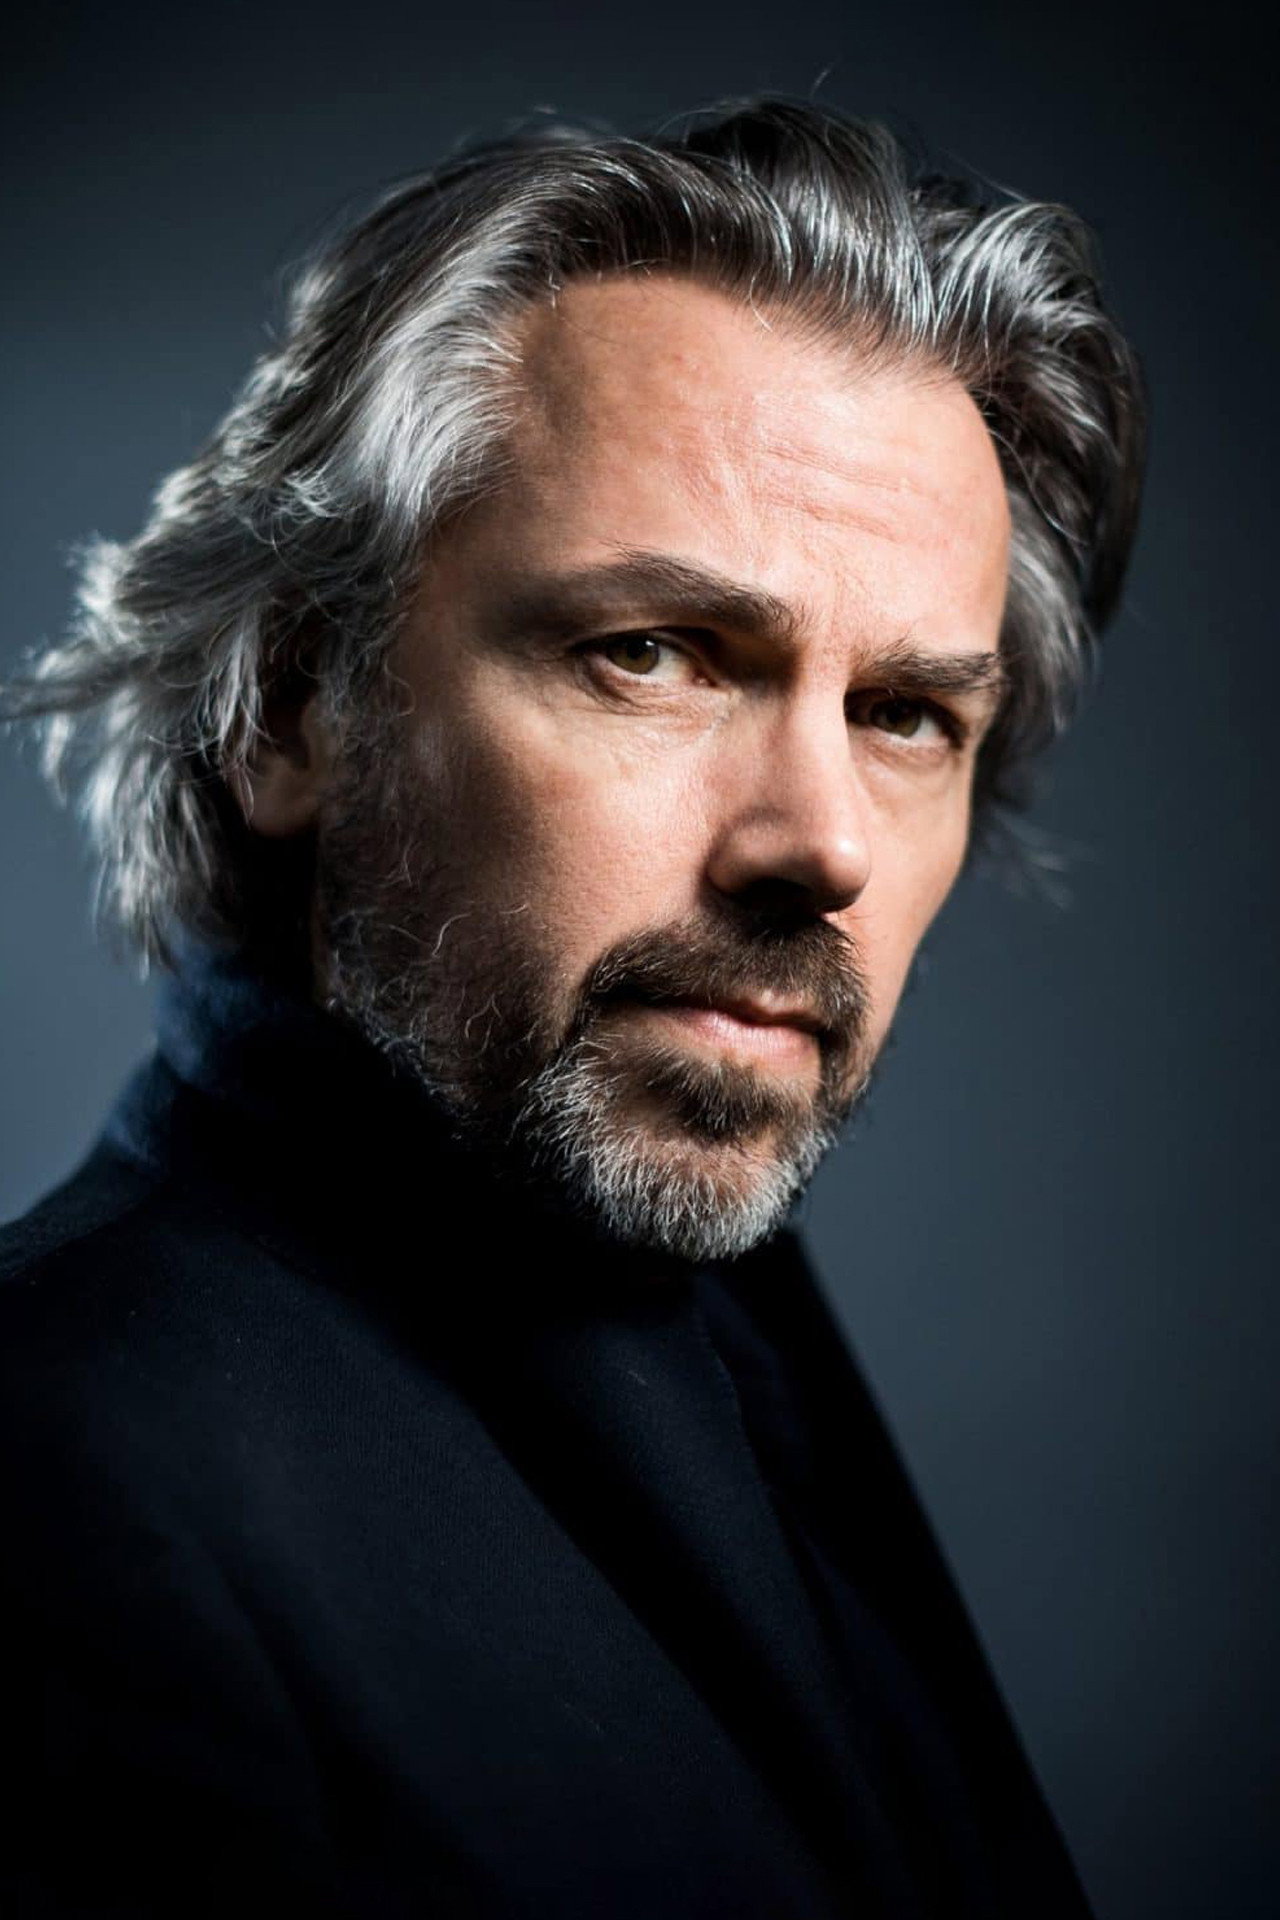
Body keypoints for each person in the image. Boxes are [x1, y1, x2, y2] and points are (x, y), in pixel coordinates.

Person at [0, 97, 1144, 1917]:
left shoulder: (720, 1359)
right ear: (292, 708)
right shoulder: (64, 1501)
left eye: (906, 713)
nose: (823, 844)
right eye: (656, 654)